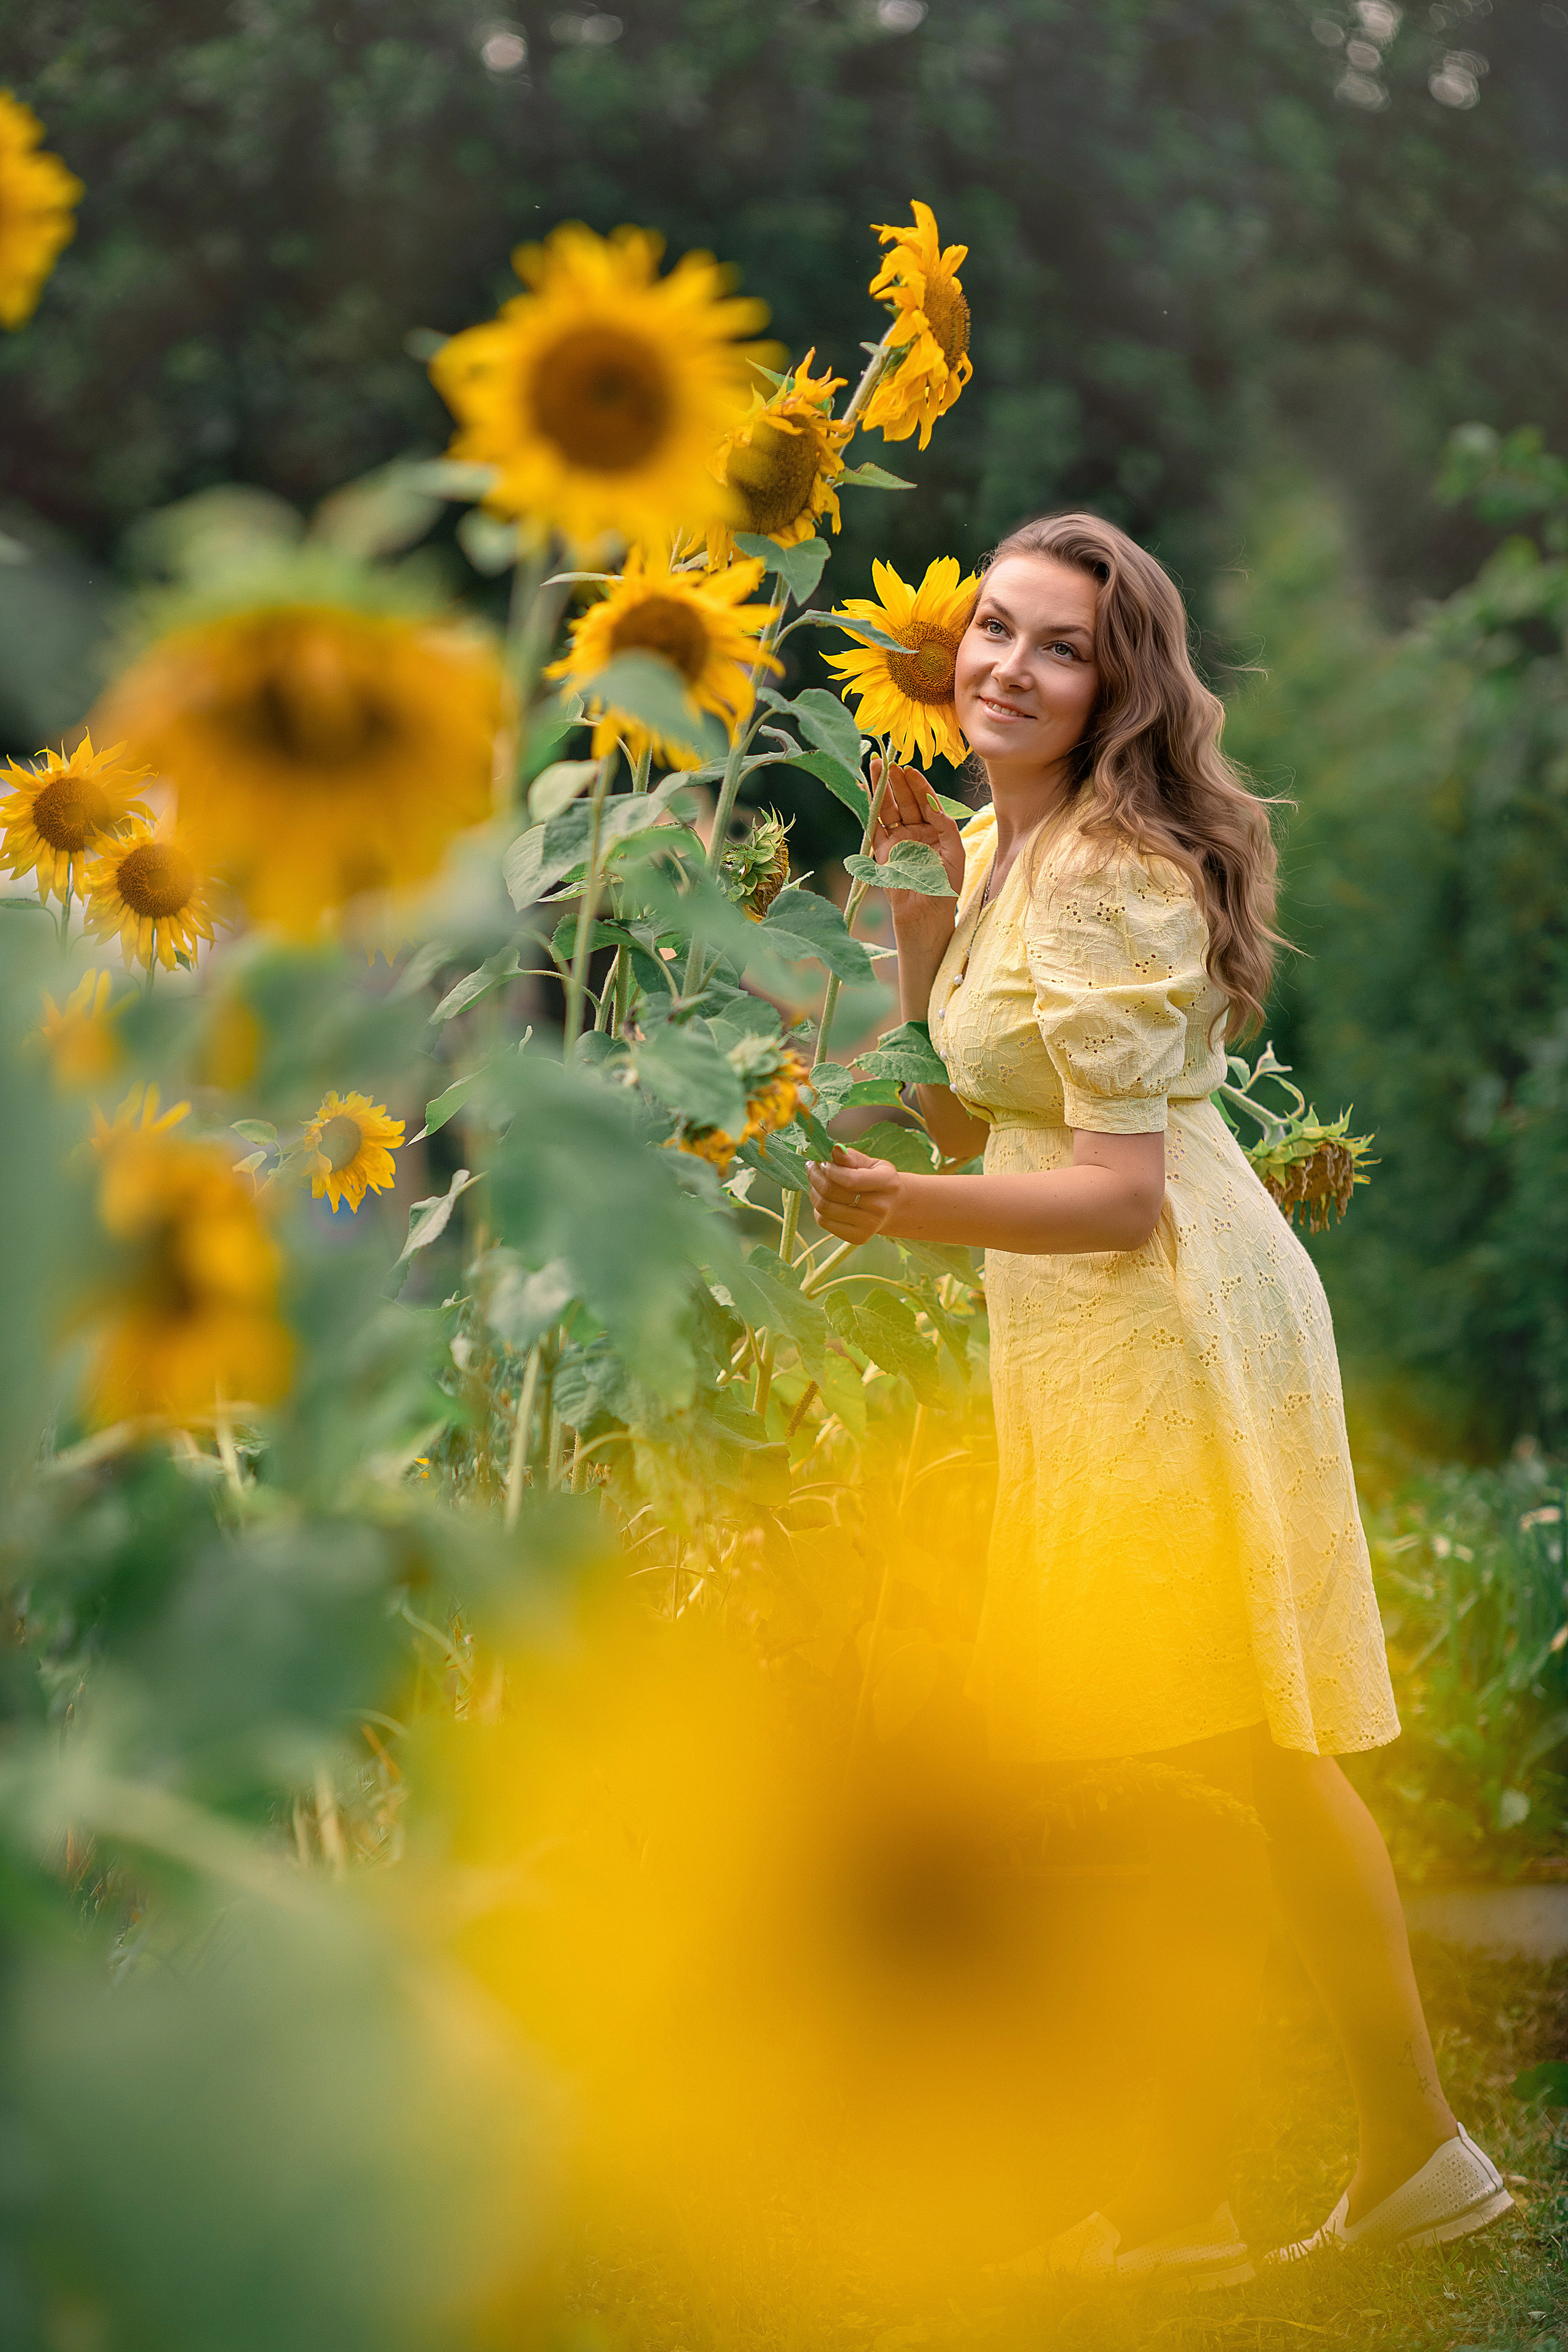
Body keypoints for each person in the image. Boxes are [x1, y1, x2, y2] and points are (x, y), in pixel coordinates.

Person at [805, 513, 1512, 2288]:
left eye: (1057, 646)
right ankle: (1394, 2157)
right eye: (991, 628)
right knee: (1219, 1746)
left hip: (1168, 1304)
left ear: (1119, 688)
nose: (1002, 666)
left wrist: (897, 1213)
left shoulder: (1115, 869)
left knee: (1188, 1748)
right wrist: (912, 914)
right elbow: (976, 1105)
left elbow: (1111, 1184)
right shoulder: (991, 851)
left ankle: (1212, 2193)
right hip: (1092, 1319)